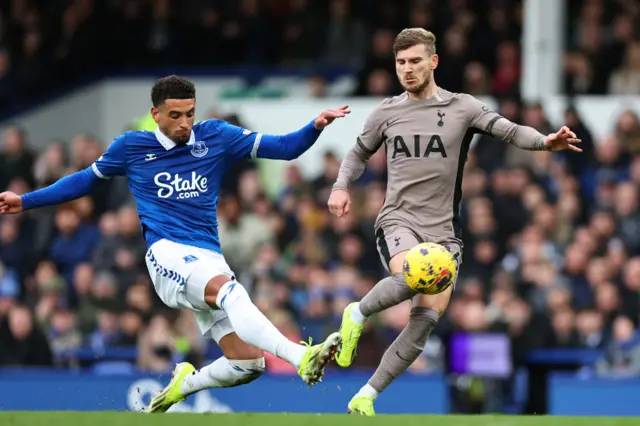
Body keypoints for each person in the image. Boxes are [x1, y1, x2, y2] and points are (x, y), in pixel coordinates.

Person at [0, 75, 350, 413]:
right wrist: (26, 200)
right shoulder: (132, 147)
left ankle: (185, 384)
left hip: (209, 257)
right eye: (175, 115)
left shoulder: (215, 136)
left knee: (249, 364)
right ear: (156, 114)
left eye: (190, 114)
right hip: (166, 254)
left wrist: (315, 126)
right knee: (230, 291)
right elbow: (83, 181)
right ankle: (299, 357)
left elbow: (285, 148)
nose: (185, 123)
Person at [327, 28, 581, 416]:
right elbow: (357, 154)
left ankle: (366, 394)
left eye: (414, 61)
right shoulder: (386, 111)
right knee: (415, 274)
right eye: (400, 63)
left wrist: (545, 142)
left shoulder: (463, 108)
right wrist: (342, 185)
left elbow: (510, 131)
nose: (407, 70)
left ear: (433, 61)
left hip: (444, 231)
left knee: (425, 319)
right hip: (398, 220)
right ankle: (357, 314)